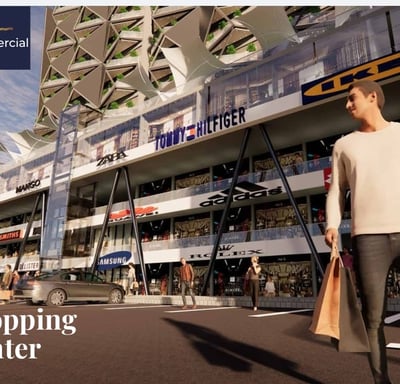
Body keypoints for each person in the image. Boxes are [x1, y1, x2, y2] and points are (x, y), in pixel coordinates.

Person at [325, 79, 400, 384]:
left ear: (372, 97)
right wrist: (332, 224)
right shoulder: (344, 145)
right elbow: (335, 191)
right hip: (367, 238)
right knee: (373, 319)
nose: (347, 105)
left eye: (352, 98)